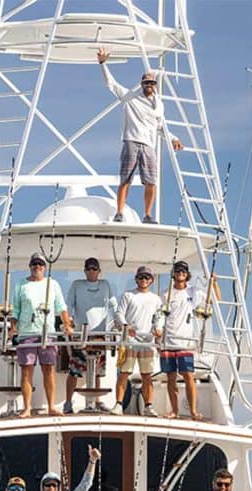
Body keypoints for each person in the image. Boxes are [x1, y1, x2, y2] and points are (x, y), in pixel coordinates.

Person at [97, 48, 183, 224]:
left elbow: (160, 126)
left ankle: (147, 215)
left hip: (149, 145)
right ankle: (119, 212)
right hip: (132, 141)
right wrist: (103, 63)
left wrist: (173, 138)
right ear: (141, 84)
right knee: (126, 178)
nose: (148, 85)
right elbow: (111, 84)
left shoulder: (159, 105)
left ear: (155, 85)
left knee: (151, 181)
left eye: (151, 82)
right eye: (146, 82)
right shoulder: (130, 97)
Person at [10, 253, 73, 418]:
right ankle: (26, 408)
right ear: (29, 266)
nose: (37, 266)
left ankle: (51, 406)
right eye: (34, 264)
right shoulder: (20, 284)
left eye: (40, 264)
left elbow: (61, 307)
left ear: (45, 267)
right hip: (26, 333)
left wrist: (67, 325)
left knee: (48, 369)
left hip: (48, 333)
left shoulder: (53, 284)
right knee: (26, 371)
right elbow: (15, 309)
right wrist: (13, 328)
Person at [157, 260, 210, 419]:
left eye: (183, 271)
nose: (180, 274)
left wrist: (213, 283)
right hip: (168, 342)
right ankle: (175, 411)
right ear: (173, 274)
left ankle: (193, 411)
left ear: (187, 275)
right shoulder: (165, 294)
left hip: (185, 342)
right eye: (178, 271)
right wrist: (158, 330)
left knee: (188, 376)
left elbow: (213, 300)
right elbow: (159, 315)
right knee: (171, 378)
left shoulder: (193, 292)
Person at [64, 257, 114, 414]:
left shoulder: (106, 285)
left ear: (99, 271)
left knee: (98, 370)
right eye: (89, 268)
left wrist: (119, 323)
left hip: (100, 334)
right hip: (81, 334)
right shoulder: (77, 285)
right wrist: (69, 322)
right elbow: (69, 304)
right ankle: (68, 402)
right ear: (84, 271)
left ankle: (97, 401)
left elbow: (113, 305)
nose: (91, 271)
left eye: (94, 268)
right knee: (74, 370)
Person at [111, 265, 162, 416]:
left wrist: (158, 329)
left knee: (147, 375)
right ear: (136, 279)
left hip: (147, 341)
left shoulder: (156, 299)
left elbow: (159, 318)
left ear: (151, 280)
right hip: (129, 341)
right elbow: (119, 314)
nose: (144, 280)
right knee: (124, 373)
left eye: (147, 277)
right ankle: (118, 405)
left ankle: (148, 406)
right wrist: (127, 326)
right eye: (141, 277)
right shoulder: (128, 295)